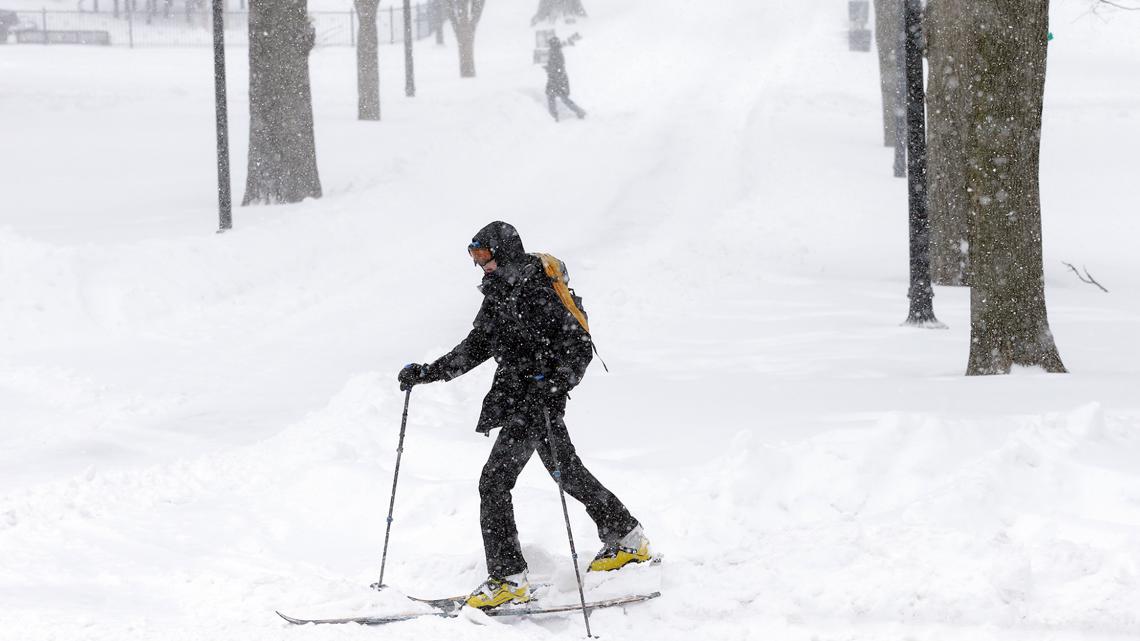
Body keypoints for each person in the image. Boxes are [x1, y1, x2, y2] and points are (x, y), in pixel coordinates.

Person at [397, 221, 650, 610]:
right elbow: (477, 344)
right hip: (518, 396)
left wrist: (554, 384)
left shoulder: (538, 289)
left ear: (505, 251)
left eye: (485, 256)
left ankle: (508, 579)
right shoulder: (499, 291)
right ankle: (626, 535)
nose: (482, 265)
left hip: (538, 402)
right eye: (475, 258)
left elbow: (579, 346)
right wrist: (428, 373)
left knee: (494, 481)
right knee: (566, 469)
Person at [545, 37, 587, 121]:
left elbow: (558, 68)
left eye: (550, 44)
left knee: (554, 98)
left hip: (557, 80)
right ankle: (579, 111)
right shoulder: (556, 52)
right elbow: (557, 67)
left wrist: (549, 69)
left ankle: (553, 116)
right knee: (561, 98)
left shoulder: (555, 53)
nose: (549, 46)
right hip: (559, 80)